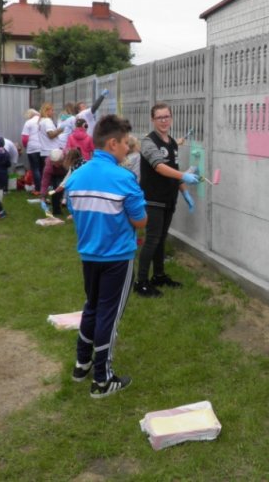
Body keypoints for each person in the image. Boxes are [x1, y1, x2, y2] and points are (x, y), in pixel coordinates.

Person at [65, 114, 147, 398]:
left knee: (92, 307)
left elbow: (74, 211)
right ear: (112, 144)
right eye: (125, 144)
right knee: (108, 316)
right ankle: (102, 379)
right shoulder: (124, 178)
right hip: (118, 258)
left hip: (89, 255)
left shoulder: (76, 176)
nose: (127, 149)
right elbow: (140, 220)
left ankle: (82, 364)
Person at [134, 102, 199, 297]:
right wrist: (184, 175)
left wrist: (184, 191)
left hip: (169, 199)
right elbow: (159, 166)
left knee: (161, 239)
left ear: (171, 118)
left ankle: (159, 276)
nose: (164, 121)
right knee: (152, 240)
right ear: (153, 120)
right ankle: (141, 282)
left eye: (166, 117)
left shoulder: (171, 142)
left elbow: (174, 171)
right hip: (153, 199)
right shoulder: (148, 142)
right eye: (159, 117)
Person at [21, 108, 43, 195]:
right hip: (43, 147)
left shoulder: (28, 122)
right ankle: (44, 188)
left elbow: (25, 138)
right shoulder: (44, 121)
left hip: (33, 148)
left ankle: (38, 189)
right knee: (42, 168)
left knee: (35, 169)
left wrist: (25, 146)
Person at [40, 148, 68, 216]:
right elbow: (45, 182)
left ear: (62, 160)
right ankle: (56, 210)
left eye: (58, 163)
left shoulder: (67, 158)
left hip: (67, 173)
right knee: (55, 189)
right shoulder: (48, 167)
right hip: (55, 175)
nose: (57, 165)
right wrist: (43, 197)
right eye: (55, 163)